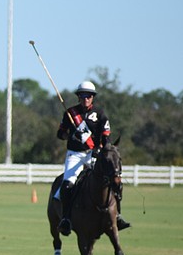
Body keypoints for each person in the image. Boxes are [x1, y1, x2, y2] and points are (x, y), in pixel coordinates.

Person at [54, 81, 130, 236]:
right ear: (78, 97)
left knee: (111, 181)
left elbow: (106, 138)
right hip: (74, 154)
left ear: (92, 97)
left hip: (93, 154)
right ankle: (66, 219)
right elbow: (60, 134)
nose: (85, 99)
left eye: (88, 96)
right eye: (82, 96)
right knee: (67, 185)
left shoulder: (101, 114)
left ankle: (118, 216)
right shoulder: (70, 113)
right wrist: (71, 134)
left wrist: (99, 150)